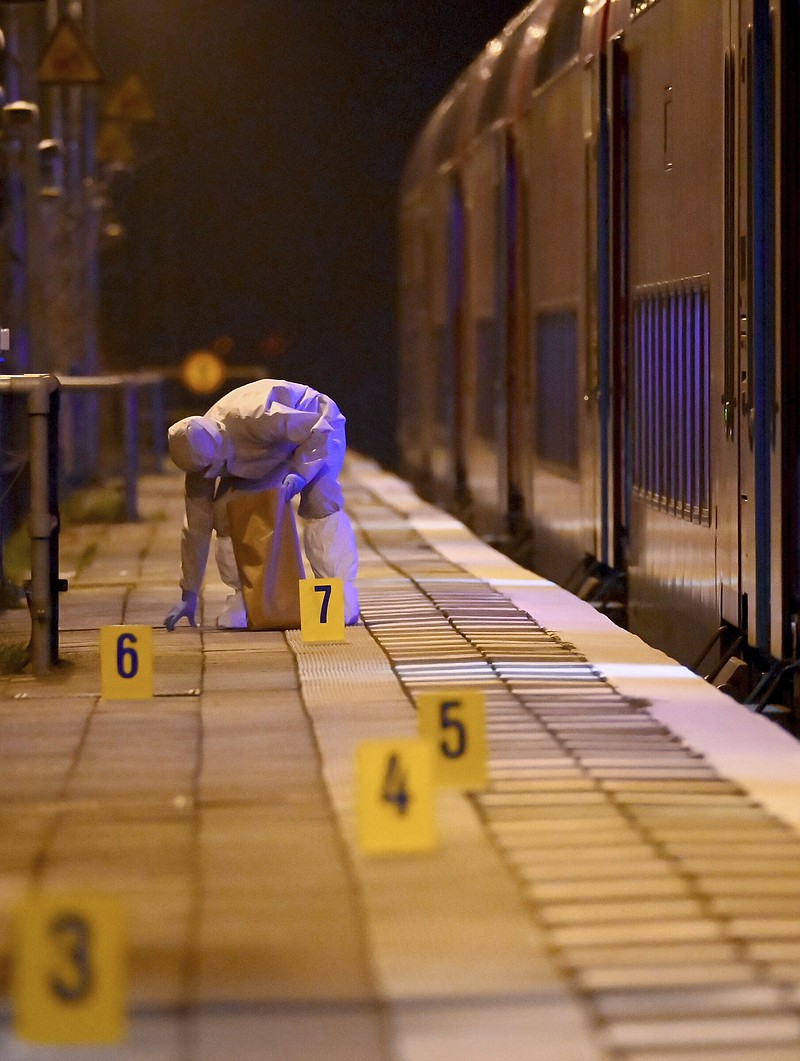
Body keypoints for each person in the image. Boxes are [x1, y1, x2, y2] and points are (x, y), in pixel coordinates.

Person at [164, 378, 359, 630]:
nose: (212, 474)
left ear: (221, 441)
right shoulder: (199, 461)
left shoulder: (255, 417)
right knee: (225, 512)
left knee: (320, 496)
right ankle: (246, 595)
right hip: (270, 452)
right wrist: (188, 593)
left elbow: (317, 430)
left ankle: (338, 591)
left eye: (216, 466)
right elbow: (196, 526)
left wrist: (301, 472)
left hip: (317, 429)